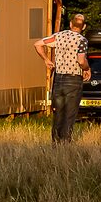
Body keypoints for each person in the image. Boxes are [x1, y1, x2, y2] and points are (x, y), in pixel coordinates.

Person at [36, 13, 92, 144]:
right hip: (73, 80)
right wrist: (87, 69)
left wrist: (46, 60)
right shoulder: (82, 40)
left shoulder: (58, 36)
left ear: (71, 24)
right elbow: (81, 60)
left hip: (59, 80)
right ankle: (65, 144)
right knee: (69, 114)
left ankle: (55, 143)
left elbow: (38, 44)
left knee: (59, 114)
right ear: (83, 27)